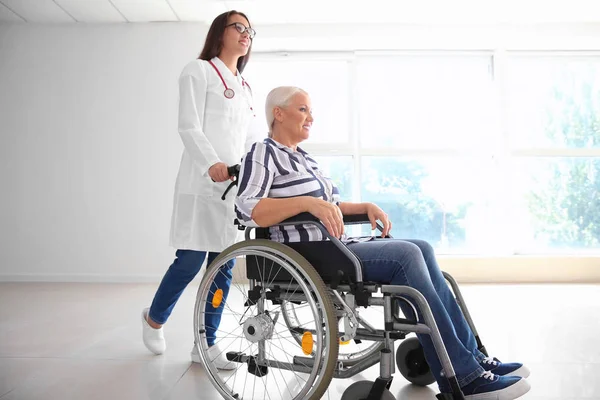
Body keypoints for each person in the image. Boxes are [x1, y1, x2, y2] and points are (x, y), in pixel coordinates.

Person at [233, 86, 531, 399]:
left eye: (311, 111)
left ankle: (473, 359)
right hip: (306, 255)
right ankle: (464, 378)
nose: (311, 117)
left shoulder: (304, 159)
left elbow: (330, 207)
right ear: (278, 114)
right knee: (405, 256)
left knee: (422, 248)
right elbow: (247, 207)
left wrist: (363, 208)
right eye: (303, 109)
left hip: (334, 246)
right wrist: (307, 202)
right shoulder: (263, 152)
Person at [141, 10, 261, 369]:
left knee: (223, 267)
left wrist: (259, 168)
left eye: (250, 30)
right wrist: (212, 164)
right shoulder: (199, 71)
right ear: (219, 33)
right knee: (190, 262)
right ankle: (154, 318)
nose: (246, 34)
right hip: (203, 182)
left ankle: (206, 344)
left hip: (234, 188)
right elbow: (189, 126)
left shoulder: (244, 85)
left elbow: (251, 137)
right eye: (238, 27)